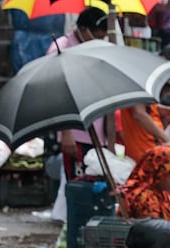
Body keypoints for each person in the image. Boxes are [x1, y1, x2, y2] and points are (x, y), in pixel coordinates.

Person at [47, 9, 114, 179]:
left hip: (98, 131)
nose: (101, 40)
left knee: (98, 184)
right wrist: (66, 132)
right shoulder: (60, 47)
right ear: (84, 30)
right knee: (79, 185)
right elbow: (55, 91)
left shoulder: (98, 48)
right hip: (75, 133)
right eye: (98, 36)